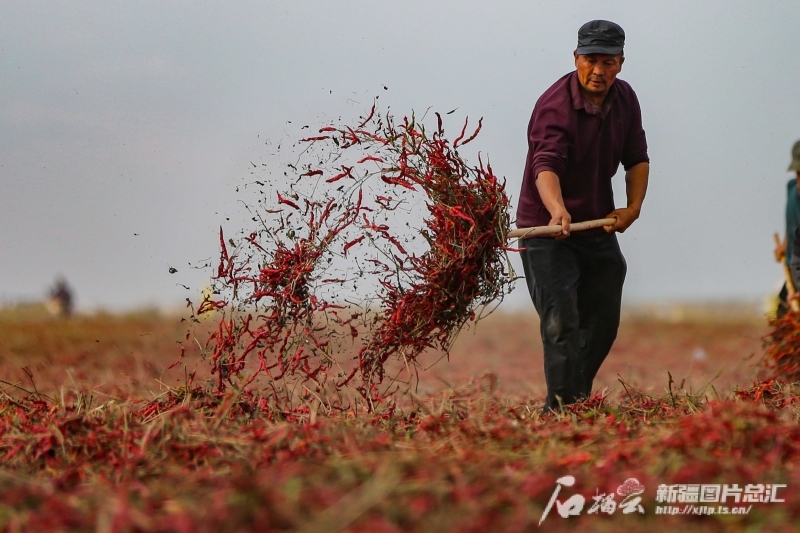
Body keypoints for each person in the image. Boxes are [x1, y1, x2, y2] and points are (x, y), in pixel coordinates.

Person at [516, 20, 650, 412]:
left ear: (621, 63)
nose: (598, 70)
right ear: (576, 59)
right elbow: (546, 166)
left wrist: (632, 209)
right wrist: (557, 210)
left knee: (604, 320)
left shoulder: (625, 99)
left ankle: (573, 401)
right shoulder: (555, 106)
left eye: (608, 62)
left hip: (593, 224)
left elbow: (637, 158)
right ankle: (560, 411)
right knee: (561, 323)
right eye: (590, 60)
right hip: (546, 228)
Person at [776, 140, 800, 316]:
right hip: (791, 273)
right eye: (799, 173)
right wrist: (784, 244)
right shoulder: (791, 188)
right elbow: (792, 222)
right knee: (781, 319)